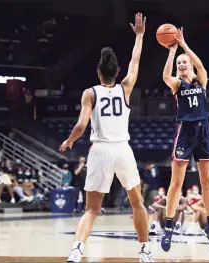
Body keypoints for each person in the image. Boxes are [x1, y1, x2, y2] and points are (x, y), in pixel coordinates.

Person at [59, 13, 153, 262]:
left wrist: (69, 141)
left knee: (91, 209)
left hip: (99, 150)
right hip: (123, 149)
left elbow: (81, 126)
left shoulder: (90, 93)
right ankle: (144, 251)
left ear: (99, 73)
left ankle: (77, 250)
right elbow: (135, 61)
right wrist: (140, 36)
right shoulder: (126, 88)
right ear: (116, 72)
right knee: (137, 204)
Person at [161, 27, 209, 251]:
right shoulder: (178, 84)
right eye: (180, 64)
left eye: (184, 62)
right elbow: (166, 76)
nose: (182, 65)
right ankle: (168, 228)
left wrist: (184, 46)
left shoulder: (201, 80)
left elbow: (202, 66)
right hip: (185, 132)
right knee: (176, 184)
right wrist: (172, 52)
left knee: (207, 182)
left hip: (203, 131)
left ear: (191, 65)